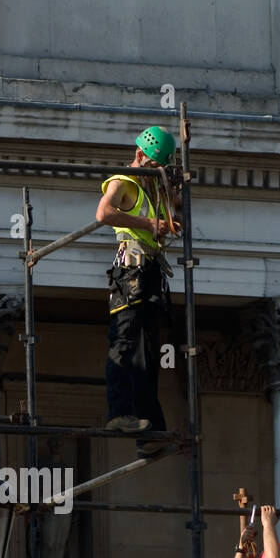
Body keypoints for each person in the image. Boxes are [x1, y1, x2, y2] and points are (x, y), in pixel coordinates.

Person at [96, 125, 180, 453]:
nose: (157, 174)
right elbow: (103, 213)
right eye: (154, 167)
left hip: (149, 271)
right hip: (129, 269)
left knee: (147, 353)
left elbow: (166, 221)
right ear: (141, 155)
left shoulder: (151, 189)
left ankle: (150, 432)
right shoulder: (124, 181)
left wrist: (170, 216)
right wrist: (149, 224)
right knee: (124, 342)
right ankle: (118, 413)